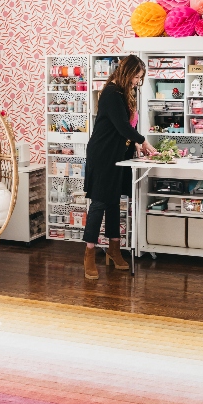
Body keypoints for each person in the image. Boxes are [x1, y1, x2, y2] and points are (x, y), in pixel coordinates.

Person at [82, 55, 157, 279]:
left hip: (118, 154)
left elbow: (125, 128)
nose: (137, 81)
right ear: (127, 72)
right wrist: (143, 141)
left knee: (114, 202)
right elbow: (122, 126)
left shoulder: (125, 92)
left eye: (140, 78)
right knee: (99, 203)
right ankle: (89, 254)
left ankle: (114, 250)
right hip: (103, 155)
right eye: (136, 76)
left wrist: (135, 143)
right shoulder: (111, 93)